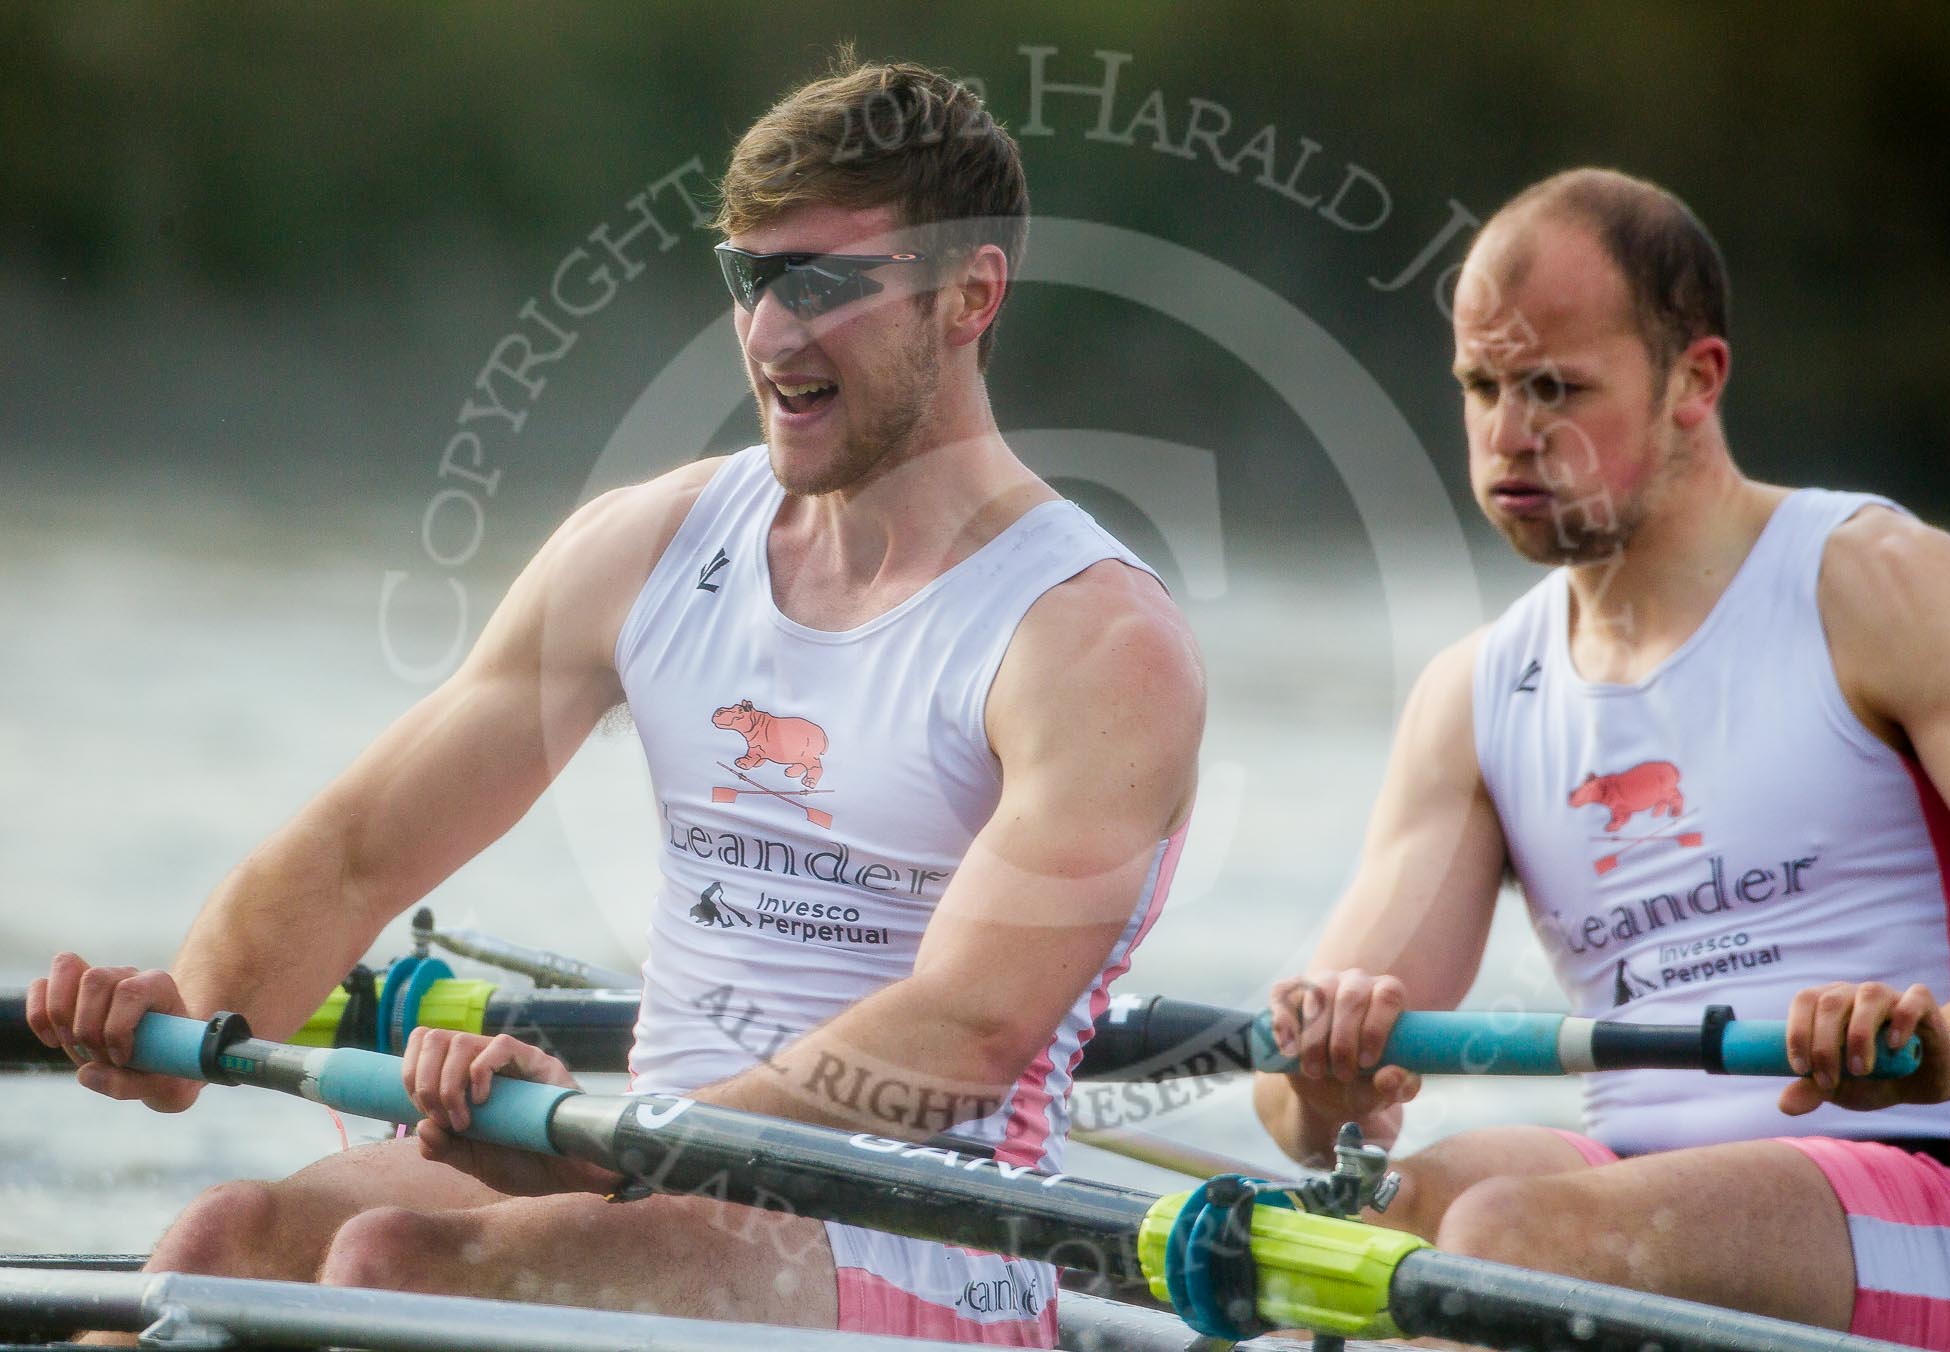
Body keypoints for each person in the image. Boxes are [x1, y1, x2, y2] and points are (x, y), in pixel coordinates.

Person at [28, 57, 1203, 1347]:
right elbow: (361, 848)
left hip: (922, 1235)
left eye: (820, 282)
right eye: (750, 278)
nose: (769, 333)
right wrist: (189, 1019)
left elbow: (963, 1033)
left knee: (395, 1266)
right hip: (648, 1161)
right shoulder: (646, 549)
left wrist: (629, 1152)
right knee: (219, 1248)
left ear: (969, 295)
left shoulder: (1092, 639)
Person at [1253, 167, 1950, 1349]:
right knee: (1390, 1219)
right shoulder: (1477, 694)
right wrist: (1327, 1080)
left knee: (1512, 1240)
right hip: (1642, 1185)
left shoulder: (1878, 587)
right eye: (1481, 385)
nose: (1508, 436)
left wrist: (1945, 1047)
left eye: (1555, 389)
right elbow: (1302, 1118)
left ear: (1694, 382)